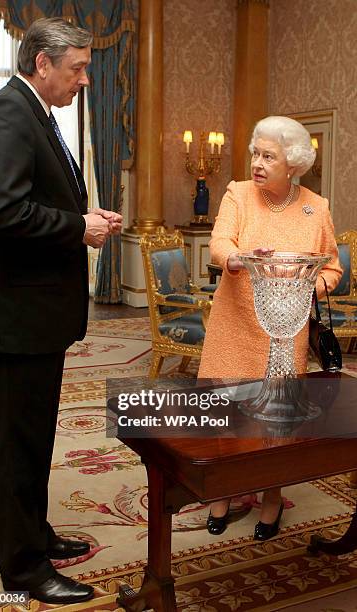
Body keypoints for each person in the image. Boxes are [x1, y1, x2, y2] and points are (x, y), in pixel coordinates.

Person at [0, 17, 122, 605]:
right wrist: (79, 227)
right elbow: (3, 212)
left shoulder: (36, 114)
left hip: (36, 317)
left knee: (34, 440)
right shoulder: (5, 112)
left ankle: (36, 533)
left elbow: (41, 202)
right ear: (42, 64)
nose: (85, 79)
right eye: (78, 68)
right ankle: (24, 568)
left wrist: (85, 220)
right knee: (17, 446)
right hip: (16, 318)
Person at [198, 116, 342, 540]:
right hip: (234, 322)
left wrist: (307, 285)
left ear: (293, 163)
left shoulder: (317, 207)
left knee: (276, 419)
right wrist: (238, 258)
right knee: (227, 411)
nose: (257, 163)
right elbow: (219, 243)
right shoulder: (238, 194)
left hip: (284, 331)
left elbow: (331, 267)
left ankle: (272, 496)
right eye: (255, 154)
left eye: (268, 156)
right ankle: (223, 491)